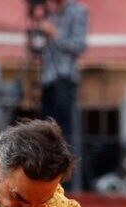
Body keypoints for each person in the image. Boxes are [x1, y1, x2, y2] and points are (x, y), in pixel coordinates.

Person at [34, 0, 88, 147]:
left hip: (65, 76)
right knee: (46, 128)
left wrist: (55, 34)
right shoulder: (50, 13)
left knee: (65, 130)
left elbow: (79, 44)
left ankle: (67, 167)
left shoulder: (78, 11)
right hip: (47, 77)